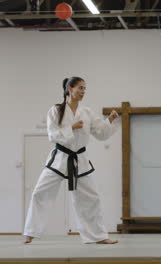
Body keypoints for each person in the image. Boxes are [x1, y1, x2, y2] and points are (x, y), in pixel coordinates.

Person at [24, 77, 119, 244]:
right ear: (69, 88)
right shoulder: (56, 110)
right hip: (60, 158)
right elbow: (52, 134)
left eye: (85, 88)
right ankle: (30, 232)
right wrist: (72, 128)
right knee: (40, 193)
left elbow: (100, 133)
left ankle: (98, 236)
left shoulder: (87, 112)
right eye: (80, 88)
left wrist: (109, 121)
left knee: (91, 198)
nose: (83, 92)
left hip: (80, 160)